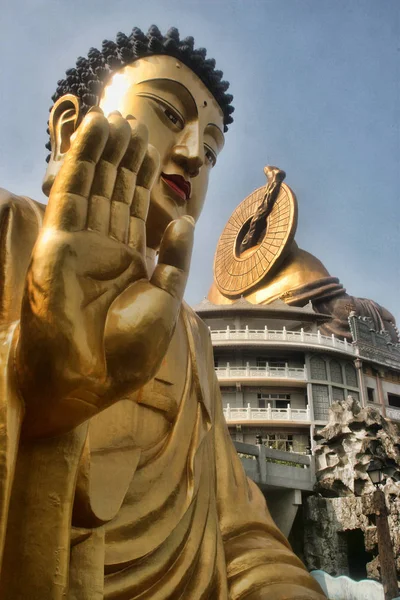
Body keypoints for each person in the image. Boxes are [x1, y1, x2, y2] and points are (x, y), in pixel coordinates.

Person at [0, 25, 325, 599]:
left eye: (214, 147)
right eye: (168, 114)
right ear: (70, 128)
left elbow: (243, 536)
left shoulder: (190, 333)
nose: (196, 155)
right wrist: (35, 387)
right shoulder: (6, 231)